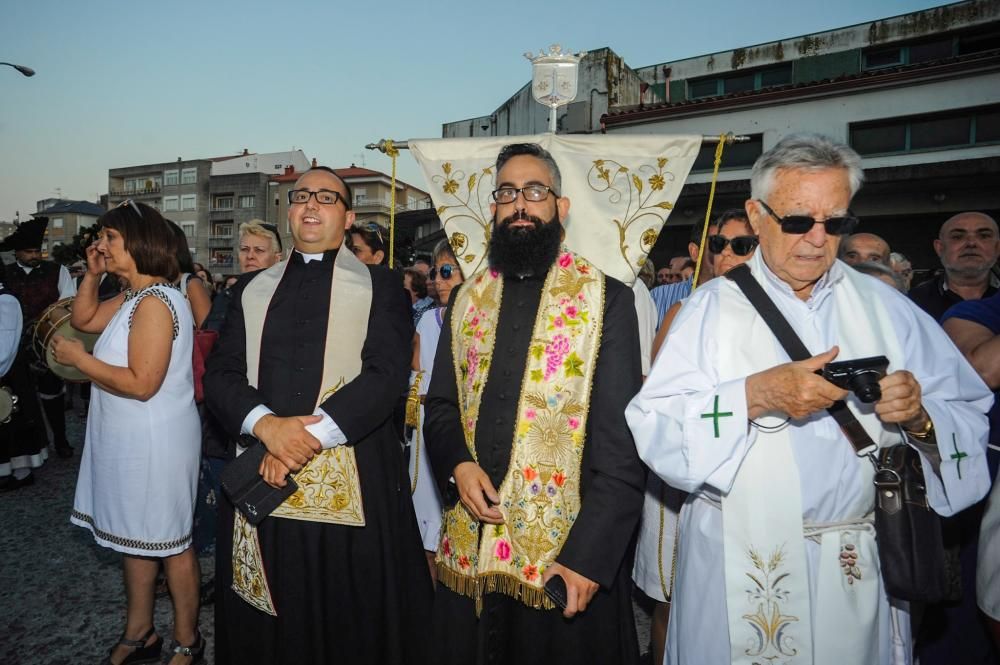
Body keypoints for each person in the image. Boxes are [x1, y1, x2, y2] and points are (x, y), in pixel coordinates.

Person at [626, 133, 993, 664]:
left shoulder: (888, 308)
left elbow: (967, 410)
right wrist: (755, 395)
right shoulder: (708, 310)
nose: (818, 239)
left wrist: (920, 417)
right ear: (756, 216)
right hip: (738, 559)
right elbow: (654, 424)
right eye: (798, 221)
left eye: (835, 223)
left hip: (856, 562)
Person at [424, 143, 645, 665]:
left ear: (560, 208)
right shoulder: (465, 300)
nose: (520, 203)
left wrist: (589, 559)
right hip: (472, 546)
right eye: (507, 193)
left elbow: (621, 443)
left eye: (535, 191)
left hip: (564, 555)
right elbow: (439, 405)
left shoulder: (605, 298)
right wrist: (457, 463)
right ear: (493, 210)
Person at [203, 165, 431, 664]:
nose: (310, 204)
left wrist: (305, 439)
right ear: (288, 210)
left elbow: (387, 374)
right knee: (270, 617)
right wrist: (267, 427)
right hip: (262, 472)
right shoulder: (247, 289)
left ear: (347, 216)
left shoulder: (382, 285)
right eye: (301, 195)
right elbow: (220, 374)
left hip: (353, 470)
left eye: (326, 198)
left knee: (349, 613)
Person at [53, 201, 203, 665]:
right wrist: (92, 275)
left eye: (110, 238)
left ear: (139, 242)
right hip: (128, 436)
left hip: (155, 439)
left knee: (170, 543)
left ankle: (188, 641)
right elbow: (83, 321)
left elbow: (142, 383)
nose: (100, 244)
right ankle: (140, 632)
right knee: (132, 539)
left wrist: (80, 361)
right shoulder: (137, 295)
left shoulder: (159, 301)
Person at [636, 208, 758, 665]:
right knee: (673, 595)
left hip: (748, 474)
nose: (728, 254)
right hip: (681, 473)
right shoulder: (685, 311)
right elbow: (657, 401)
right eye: (718, 245)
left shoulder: (782, 313)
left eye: (742, 246)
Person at [406, 239, 463, 581]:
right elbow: (414, 371)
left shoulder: (484, 318)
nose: (437, 281)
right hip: (427, 426)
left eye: (446, 271)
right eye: (434, 273)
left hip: (461, 427)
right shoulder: (427, 321)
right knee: (426, 526)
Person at [0, 216, 76, 459]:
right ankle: (29, 450)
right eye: (29, 251)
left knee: (52, 395)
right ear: (17, 252)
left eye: (38, 250)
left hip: (47, 344)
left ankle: (61, 440)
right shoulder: (6, 273)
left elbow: (67, 304)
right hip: (13, 349)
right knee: (20, 402)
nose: (35, 255)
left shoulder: (58, 271)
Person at [0, 261, 49, 491]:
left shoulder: (5, 300)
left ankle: (21, 472)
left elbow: (4, 350)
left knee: (14, 425)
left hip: (10, 376)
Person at [909, 212, 1000, 321]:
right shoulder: (913, 302)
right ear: (940, 248)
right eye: (957, 237)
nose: (971, 243)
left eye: (984, 236)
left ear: (997, 247)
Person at [202, 221, 282, 333]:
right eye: (244, 249)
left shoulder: (287, 298)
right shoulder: (225, 297)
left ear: (277, 258)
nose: (250, 256)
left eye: (259, 250)